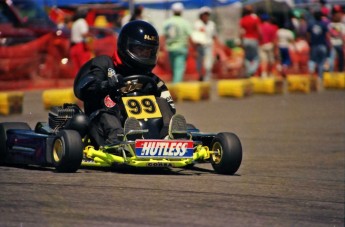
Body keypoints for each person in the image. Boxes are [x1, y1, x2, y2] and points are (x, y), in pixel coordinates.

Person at [74, 21, 183, 148]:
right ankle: (120, 139)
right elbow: (83, 88)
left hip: (145, 126)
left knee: (162, 102)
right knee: (107, 109)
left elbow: (169, 103)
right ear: (126, 46)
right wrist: (106, 85)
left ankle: (169, 136)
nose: (144, 54)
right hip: (106, 123)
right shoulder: (104, 63)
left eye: (148, 51)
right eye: (140, 49)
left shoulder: (150, 78)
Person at [161, 2, 193, 83]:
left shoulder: (167, 22)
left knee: (173, 69)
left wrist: (160, 49)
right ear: (181, 11)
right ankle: (176, 88)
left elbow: (163, 37)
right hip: (181, 48)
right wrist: (194, 48)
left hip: (170, 48)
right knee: (179, 69)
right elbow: (190, 37)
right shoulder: (185, 22)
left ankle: (174, 85)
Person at [192, 6, 219, 81]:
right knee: (199, 64)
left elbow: (214, 36)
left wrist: (217, 48)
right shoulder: (197, 24)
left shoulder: (212, 24)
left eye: (207, 14)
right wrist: (194, 49)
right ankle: (200, 76)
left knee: (208, 64)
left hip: (208, 45)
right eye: (204, 14)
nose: (206, 16)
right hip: (199, 46)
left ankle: (207, 79)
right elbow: (195, 36)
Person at [307, 11, 330, 80]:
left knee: (312, 60)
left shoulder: (311, 24)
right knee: (321, 61)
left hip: (314, 45)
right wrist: (329, 44)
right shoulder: (324, 25)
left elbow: (308, 35)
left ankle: (311, 75)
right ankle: (320, 77)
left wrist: (309, 42)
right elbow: (327, 35)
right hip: (322, 45)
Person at [239, 5, 261, 77]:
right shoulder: (255, 19)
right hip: (253, 39)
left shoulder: (243, 20)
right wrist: (261, 39)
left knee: (247, 57)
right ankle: (251, 70)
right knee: (256, 57)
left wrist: (241, 41)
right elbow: (259, 30)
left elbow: (241, 32)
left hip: (246, 39)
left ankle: (249, 70)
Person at [70, 9, 92, 75]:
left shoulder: (75, 23)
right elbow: (84, 34)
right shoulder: (82, 21)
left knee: (77, 69)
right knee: (85, 66)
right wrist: (92, 35)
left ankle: (77, 83)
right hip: (80, 46)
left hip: (73, 47)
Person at [328, 7, 345, 72]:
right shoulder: (342, 26)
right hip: (339, 43)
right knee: (340, 58)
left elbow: (328, 35)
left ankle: (331, 71)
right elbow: (343, 35)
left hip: (333, 43)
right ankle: (340, 70)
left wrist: (329, 42)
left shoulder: (330, 25)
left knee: (332, 58)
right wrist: (344, 43)